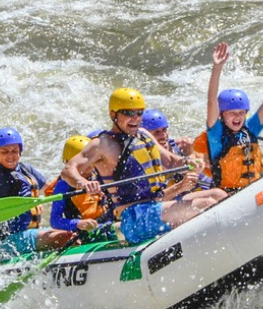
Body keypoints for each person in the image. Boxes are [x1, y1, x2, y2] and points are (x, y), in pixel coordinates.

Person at [61, 87, 227, 245]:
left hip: (157, 205)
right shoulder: (102, 144)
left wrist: (188, 162)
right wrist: (83, 183)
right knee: (206, 204)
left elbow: (170, 161)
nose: (135, 118)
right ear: (113, 114)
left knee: (218, 194)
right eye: (128, 113)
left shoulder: (144, 135)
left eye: (139, 113)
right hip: (135, 218)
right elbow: (68, 170)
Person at [0, 127, 75, 256]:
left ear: (20, 152)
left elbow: (51, 191)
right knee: (64, 237)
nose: (10, 156)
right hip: (6, 240)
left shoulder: (27, 170)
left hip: (31, 232)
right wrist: (1, 209)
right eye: (4, 152)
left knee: (73, 234)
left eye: (14, 151)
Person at [194, 42, 263, 193]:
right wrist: (217, 68)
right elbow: (212, 101)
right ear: (222, 115)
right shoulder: (217, 135)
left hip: (254, 190)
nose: (237, 117)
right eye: (232, 113)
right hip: (229, 194)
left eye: (241, 113)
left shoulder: (250, 129)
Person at [48, 135, 115, 238]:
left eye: (91, 163)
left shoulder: (99, 175)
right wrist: (78, 223)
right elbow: (55, 220)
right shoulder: (63, 185)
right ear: (69, 162)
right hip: (87, 232)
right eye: (84, 165)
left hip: (109, 223)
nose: (90, 168)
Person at [141, 108, 215, 193]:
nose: (163, 135)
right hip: (170, 195)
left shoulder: (184, 145)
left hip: (196, 188)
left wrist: (192, 164)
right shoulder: (142, 158)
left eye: (164, 130)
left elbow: (199, 158)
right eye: (157, 132)